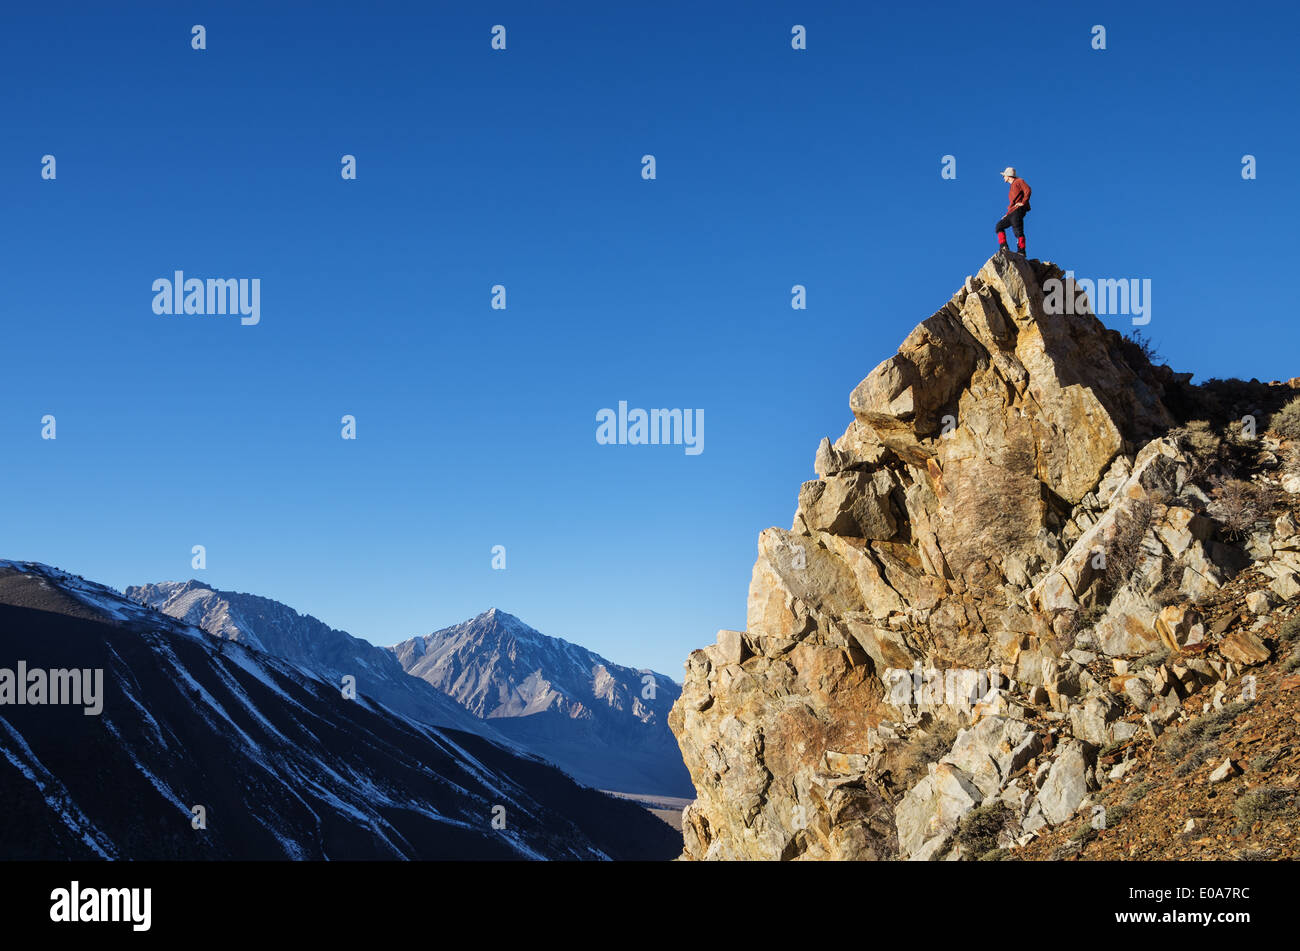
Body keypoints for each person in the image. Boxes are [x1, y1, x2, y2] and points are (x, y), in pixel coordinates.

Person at [996, 167, 1031, 257]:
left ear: (1008, 176)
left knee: (1018, 231)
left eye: (1004, 176)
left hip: (1018, 211)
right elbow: (1013, 203)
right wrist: (1007, 214)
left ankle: (1021, 251)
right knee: (999, 226)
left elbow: (1027, 190)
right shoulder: (1012, 186)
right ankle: (1004, 246)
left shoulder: (1019, 181)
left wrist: (1023, 203)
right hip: (1012, 212)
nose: (1003, 177)